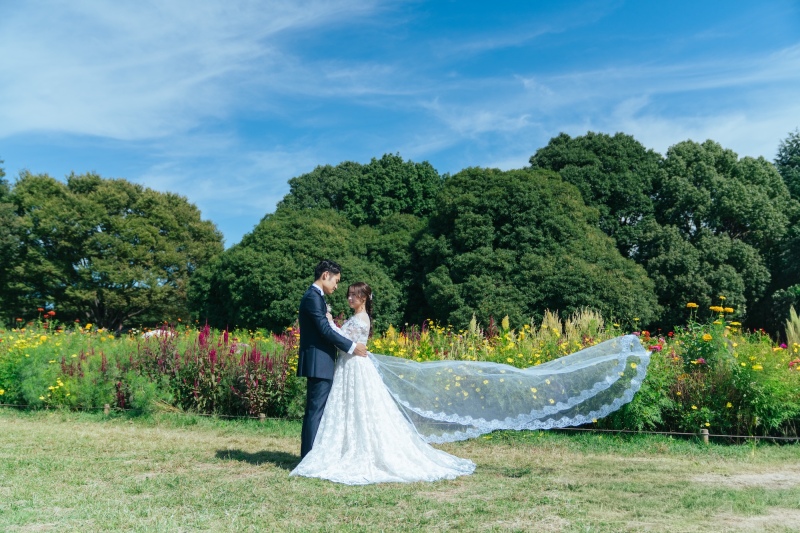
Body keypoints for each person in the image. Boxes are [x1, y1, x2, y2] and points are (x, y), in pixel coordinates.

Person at [291, 282, 476, 484]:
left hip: (354, 367)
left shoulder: (361, 319)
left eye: (354, 295)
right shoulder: (356, 318)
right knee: (349, 409)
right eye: (349, 295)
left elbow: (342, 341)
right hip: (348, 367)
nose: (350, 298)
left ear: (364, 298)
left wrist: (330, 323)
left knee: (361, 408)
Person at [297, 260, 367, 459]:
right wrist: (353, 347)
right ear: (325, 275)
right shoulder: (312, 297)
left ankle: (313, 454)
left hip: (322, 361)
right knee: (316, 410)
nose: (337, 286)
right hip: (318, 362)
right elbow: (325, 330)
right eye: (336, 280)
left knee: (318, 409)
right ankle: (308, 458)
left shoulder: (316, 297)